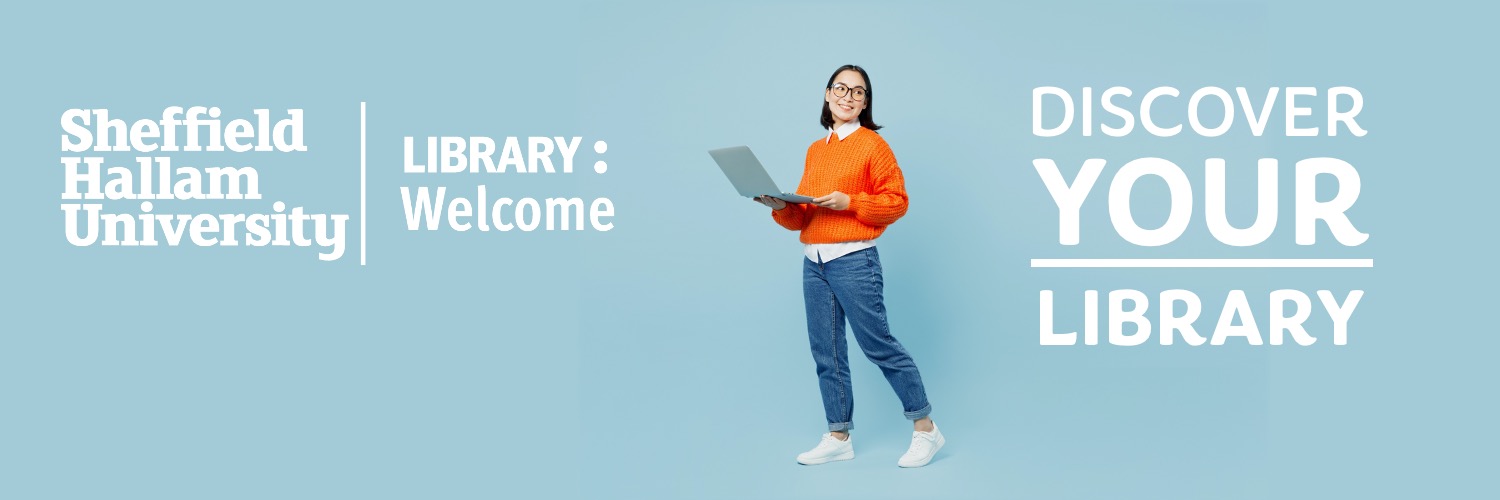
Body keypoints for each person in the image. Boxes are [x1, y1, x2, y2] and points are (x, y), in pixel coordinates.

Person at [754, 64, 944, 468]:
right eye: (841, 88)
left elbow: (897, 202)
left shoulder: (873, 145)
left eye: (858, 92)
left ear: (865, 102)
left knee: (879, 345)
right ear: (827, 94)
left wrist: (851, 202)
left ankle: (926, 429)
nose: (848, 96)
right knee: (827, 351)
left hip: (854, 260)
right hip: (814, 262)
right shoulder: (815, 149)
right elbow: (803, 219)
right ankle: (838, 435)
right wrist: (779, 207)